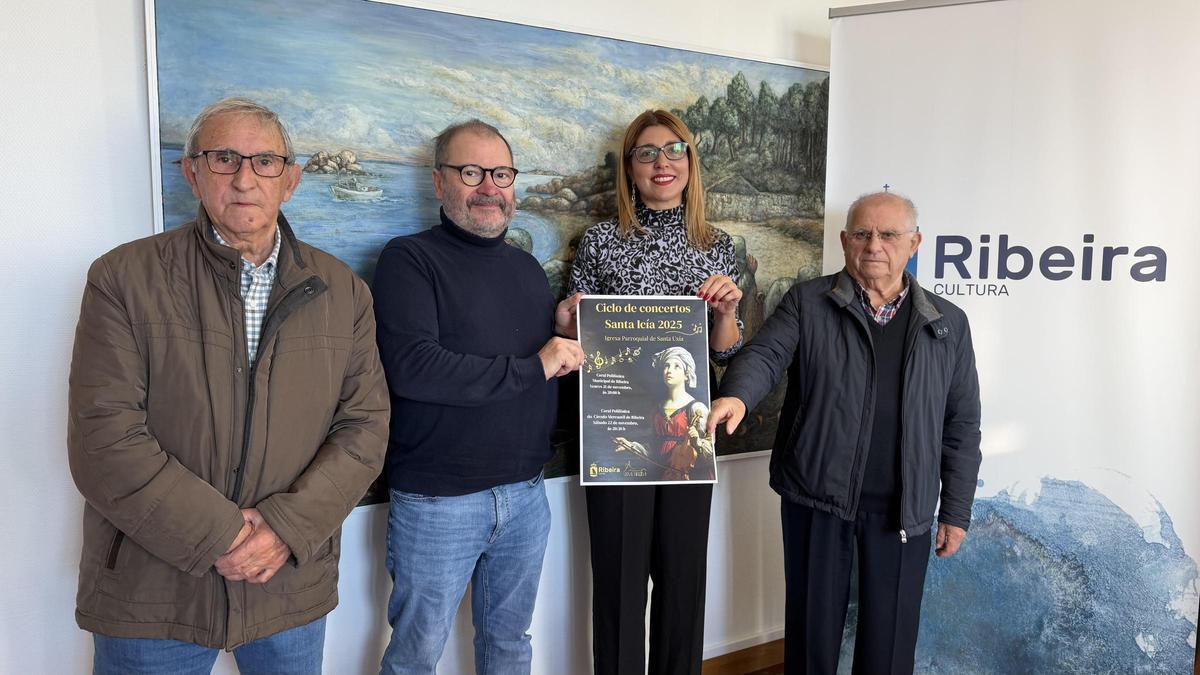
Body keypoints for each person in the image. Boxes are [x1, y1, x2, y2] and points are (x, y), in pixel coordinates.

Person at [67, 97, 390, 674]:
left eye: (264, 161)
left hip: (287, 582)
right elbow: (104, 439)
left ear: (290, 180)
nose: (244, 178)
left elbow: (364, 429)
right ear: (191, 171)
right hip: (154, 589)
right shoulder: (122, 279)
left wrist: (286, 531)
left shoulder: (344, 291)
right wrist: (221, 535)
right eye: (223, 158)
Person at [708, 191, 982, 674]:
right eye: (862, 233)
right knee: (812, 643)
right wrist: (737, 395)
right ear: (844, 240)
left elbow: (960, 425)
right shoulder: (808, 303)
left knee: (890, 648)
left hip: (904, 509)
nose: (874, 244)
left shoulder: (948, 324)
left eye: (889, 234)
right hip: (817, 500)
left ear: (914, 242)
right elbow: (765, 355)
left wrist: (955, 510)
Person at [372, 119, 584, 675]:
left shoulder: (527, 269)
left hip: (526, 496)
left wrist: (556, 324)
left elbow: (524, 361)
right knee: (416, 654)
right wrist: (536, 364)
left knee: (510, 645)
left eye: (501, 173)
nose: (489, 186)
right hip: (439, 502)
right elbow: (415, 369)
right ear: (439, 182)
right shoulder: (407, 260)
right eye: (471, 172)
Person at [569, 109, 743, 675]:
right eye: (646, 152)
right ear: (629, 167)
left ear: (691, 163)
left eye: (674, 150)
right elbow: (572, 337)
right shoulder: (599, 243)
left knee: (683, 577)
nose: (661, 162)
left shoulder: (718, 246)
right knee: (618, 585)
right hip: (615, 432)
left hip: (690, 432)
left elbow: (724, 352)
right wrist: (566, 316)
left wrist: (728, 312)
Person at [650, 347, 713, 481]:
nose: (669, 370)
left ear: (686, 374)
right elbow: (653, 447)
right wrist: (631, 445)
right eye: (666, 366)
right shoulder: (657, 409)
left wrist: (697, 441)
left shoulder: (697, 408)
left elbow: (711, 450)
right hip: (660, 471)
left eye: (676, 366)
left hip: (688, 473)